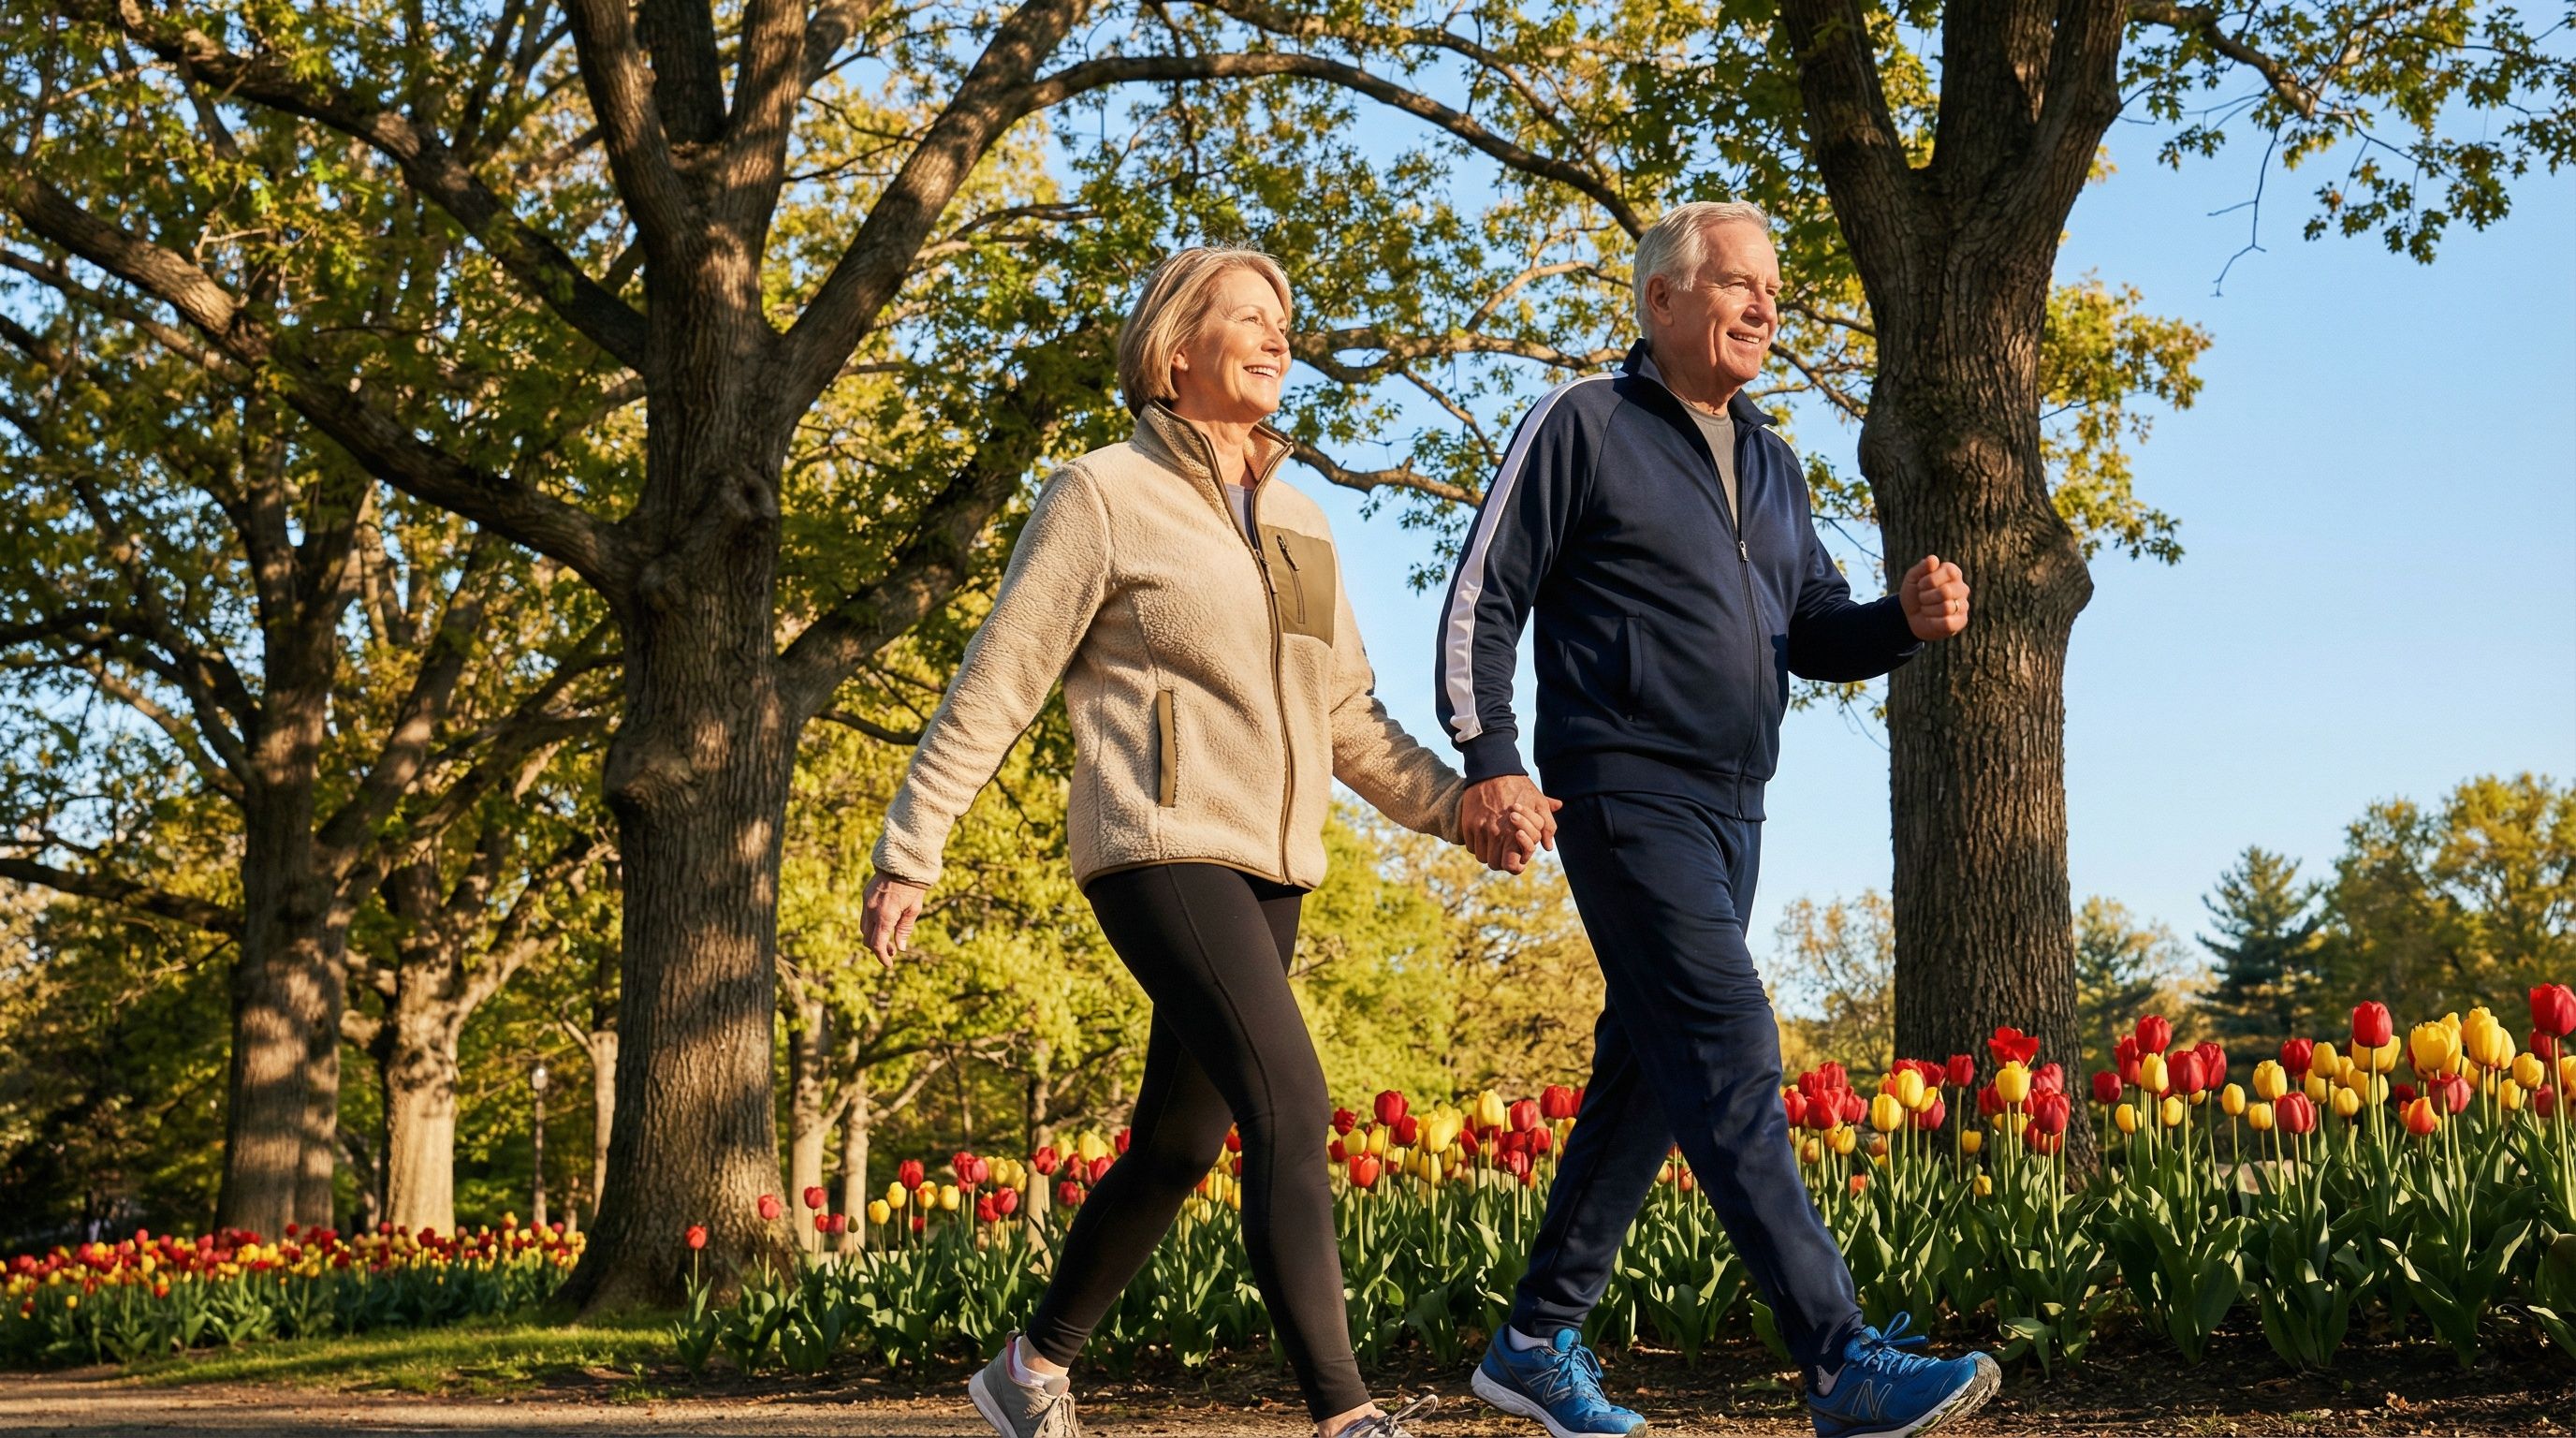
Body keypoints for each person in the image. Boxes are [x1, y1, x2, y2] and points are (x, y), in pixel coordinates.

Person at [859, 245, 1543, 1438]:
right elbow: (1001, 677)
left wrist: (1459, 806)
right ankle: (1345, 1413)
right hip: (1159, 841)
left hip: (1272, 863)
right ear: (1176, 351)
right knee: (1290, 1094)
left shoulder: (1298, 515)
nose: (1279, 339)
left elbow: (1346, 716)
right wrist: (913, 845)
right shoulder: (1101, 492)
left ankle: (1029, 1369)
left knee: (1179, 1140)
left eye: (1285, 322)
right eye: (1248, 319)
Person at [1435, 201, 1998, 1438]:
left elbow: (1811, 632)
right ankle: (1837, 1356)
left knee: (1648, 1077)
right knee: (1732, 1040)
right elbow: (1485, 595)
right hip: (1620, 788)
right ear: (1662, 302)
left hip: (1735, 803)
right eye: (1738, 286)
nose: (1762, 310)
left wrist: (1902, 618)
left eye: (1773, 295)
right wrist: (1490, 756)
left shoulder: (1776, 461)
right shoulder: (1580, 424)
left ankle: (1533, 1341)